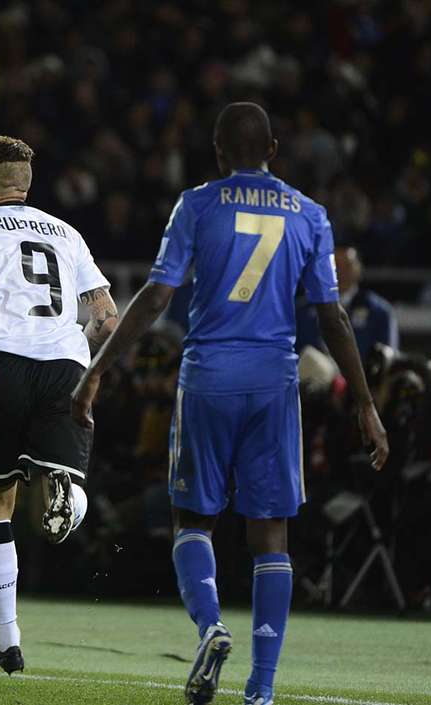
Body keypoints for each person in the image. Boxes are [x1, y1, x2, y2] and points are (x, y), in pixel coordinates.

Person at [72, 103, 389, 705]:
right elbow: (333, 316)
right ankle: (262, 688)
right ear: (273, 148)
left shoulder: (196, 204)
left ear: (218, 152)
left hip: (209, 378)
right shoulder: (311, 215)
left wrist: (98, 370)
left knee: (193, 520)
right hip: (275, 383)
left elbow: (157, 295)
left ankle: (211, 625)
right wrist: (366, 406)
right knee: (271, 533)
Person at [0, 134, 118, 675]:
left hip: (3, 362)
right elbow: (107, 316)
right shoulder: (67, 233)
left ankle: (8, 639)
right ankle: (70, 493)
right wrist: (74, 358)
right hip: (66, 363)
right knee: (61, 488)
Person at [295, 245, 399, 361]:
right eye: (335, 265)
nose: (340, 272)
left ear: (358, 269)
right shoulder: (301, 312)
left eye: (347, 266)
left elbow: (388, 358)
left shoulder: (379, 312)